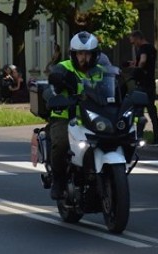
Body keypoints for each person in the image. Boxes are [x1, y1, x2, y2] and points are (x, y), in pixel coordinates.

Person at [46, 31, 107, 200]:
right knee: (61, 143)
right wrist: (57, 81)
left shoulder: (101, 71)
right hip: (67, 117)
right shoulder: (64, 67)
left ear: (95, 54)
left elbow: (115, 87)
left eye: (87, 53)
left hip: (95, 117)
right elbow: (53, 78)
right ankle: (58, 179)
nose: (83, 57)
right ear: (73, 54)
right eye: (80, 53)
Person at [128, 30, 158, 145]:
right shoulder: (152, 48)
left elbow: (143, 61)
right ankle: (157, 137)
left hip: (142, 84)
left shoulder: (143, 48)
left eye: (133, 42)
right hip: (150, 83)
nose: (134, 44)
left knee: (138, 111)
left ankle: (139, 136)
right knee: (152, 111)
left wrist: (137, 69)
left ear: (138, 38)